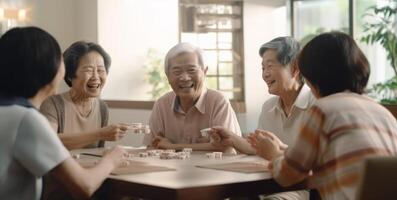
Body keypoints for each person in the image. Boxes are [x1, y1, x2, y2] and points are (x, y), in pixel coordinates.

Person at [212, 32, 397, 200]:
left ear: (311, 76)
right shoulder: (382, 112)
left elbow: (287, 175)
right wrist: (281, 150)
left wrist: (273, 154)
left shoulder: (323, 109)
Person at [0, 27, 129, 200]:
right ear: (49, 70)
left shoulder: (8, 112)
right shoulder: (27, 119)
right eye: (59, 60)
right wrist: (111, 160)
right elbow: (85, 187)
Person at [213, 37, 315, 200]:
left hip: (301, 187)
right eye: (263, 68)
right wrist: (231, 139)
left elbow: (313, 161)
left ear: (295, 68)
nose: (265, 74)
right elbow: (259, 148)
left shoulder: (316, 105)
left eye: (270, 66)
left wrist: (276, 151)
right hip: (267, 183)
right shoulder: (268, 107)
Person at [144, 43, 242, 151]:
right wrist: (205, 147)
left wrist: (172, 147)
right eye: (177, 72)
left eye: (191, 70)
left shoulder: (218, 101)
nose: (185, 78)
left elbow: (225, 148)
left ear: (204, 72)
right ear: (168, 76)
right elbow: (152, 147)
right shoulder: (162, 104)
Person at [40, 41, 128, 150]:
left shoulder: (102, 108)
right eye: (88, 70)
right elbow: (48, 142)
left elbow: (98, 153)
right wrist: (100, 134)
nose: (96, 77)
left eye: (101, 70)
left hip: (93, 167)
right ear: (70, 75)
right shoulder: (53, 104)